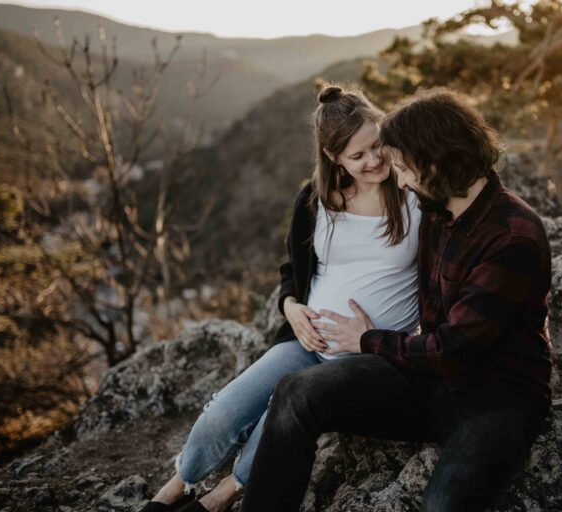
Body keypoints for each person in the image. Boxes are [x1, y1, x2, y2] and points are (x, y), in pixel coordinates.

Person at [240, 89, 553, 512]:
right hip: (430, 381)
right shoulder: (439, 211)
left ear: (436, 162)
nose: (400, 180)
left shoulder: (512, 236)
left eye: (404, 168)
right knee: (295, 392)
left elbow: (452, 350)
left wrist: (368, 340)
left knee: (441, 506)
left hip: (497, 397)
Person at [138, 84, 421, 512]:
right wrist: (291, 308)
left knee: (277, 426)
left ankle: (223, 494)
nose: (373, 160)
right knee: (224, 412)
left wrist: (383, 339)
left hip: (364, 356)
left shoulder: (415, 194)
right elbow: (293, 269)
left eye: (377, 144)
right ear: (334, 157)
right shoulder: (315, 199)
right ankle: (178, 483)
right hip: (305, 341)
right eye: (357, 156)